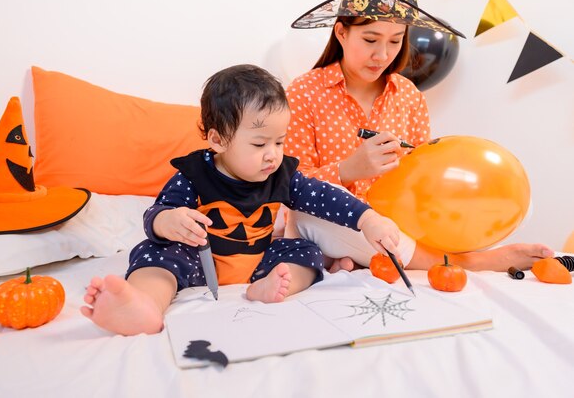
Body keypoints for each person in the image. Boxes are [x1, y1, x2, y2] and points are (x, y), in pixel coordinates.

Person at [81, 64, 401, 335]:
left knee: (307, 252)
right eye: (260, 144)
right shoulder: (195, 175)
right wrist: (170, 221)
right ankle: (144, 304)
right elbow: (156, 214)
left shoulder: (281, 175)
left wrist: (367, 219)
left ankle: (271, 287)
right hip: (200, 262)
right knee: (154, 254)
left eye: (280, 141)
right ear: (218, 140)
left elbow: (323, 197)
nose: (273, 154)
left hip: (260, 260)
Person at [284, 0, 553, 273]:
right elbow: (287, 185)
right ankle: (470, 262)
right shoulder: (303, 92)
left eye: (395, 41)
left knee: (517, 202)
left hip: (400, 224)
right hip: (341, 221)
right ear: (341, 33)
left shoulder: (409, 95)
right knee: (307, 217)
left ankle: (382, 257)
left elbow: (425, 176)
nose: (382, 54)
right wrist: (348, 169)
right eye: (370, 39)